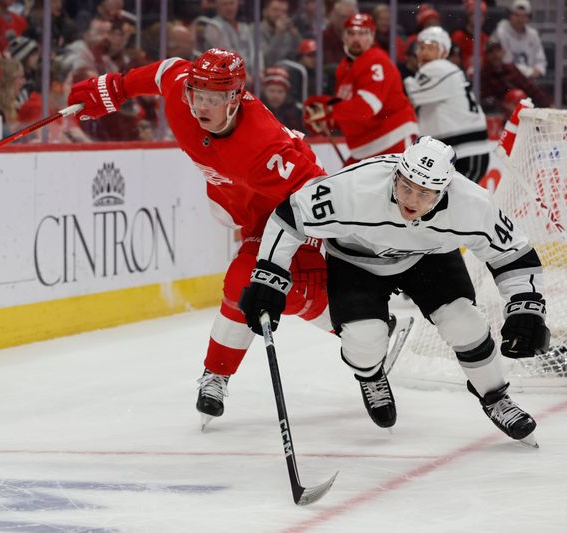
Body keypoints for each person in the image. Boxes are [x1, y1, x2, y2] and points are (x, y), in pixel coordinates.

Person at [66, 48, 330, 427]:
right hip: (241, 203)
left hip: (285, 213)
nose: (199, 106)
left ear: (236, 98)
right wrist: (117, 88)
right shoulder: (181, 95)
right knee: (260, 288)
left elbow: (317, 192)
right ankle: (364, 331)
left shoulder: (266, 144)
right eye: (197, 95)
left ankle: (221, 374)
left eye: (212, 99)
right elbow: (167, 70)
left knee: (272, 284)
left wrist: (344, 240)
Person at [238, 136, 549, 445]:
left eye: (425, 194)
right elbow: (289, 216)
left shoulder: (471, 203)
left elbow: (514, 253)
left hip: (429, 257)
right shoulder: (356, 187)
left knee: (465, 322)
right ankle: (371, 374)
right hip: (356, 260)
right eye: (406, 187)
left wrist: (526, 307)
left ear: (444, 191)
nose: (411, 201)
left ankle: (496, 397)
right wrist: (268, 278)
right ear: (396, 174)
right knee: (364, 341)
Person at [303, 13, 418, 164]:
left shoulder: (377, 61)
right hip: (365, 147)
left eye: (362, 33)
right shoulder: (344, 67)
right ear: (343, 36)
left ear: (372, 36)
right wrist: (326, 116)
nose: (356, 39)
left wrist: (329, 111)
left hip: (393, 139)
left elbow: (365, 109)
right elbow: (348, 109)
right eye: (351, 33)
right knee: (342, 186)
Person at [404, 27, 490, 183]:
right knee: (448, 204)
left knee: (450, 203)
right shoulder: (446, 70)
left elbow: (407, 93)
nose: (424, 53)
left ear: (443, 51)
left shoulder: (438, 68)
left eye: (431, 48)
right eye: (421, 48)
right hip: (466, 151)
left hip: (464, 152)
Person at [480, 38, 551, 113]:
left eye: (498, 50)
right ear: (486, 55)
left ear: (503, 52)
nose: (495, 55)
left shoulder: (511, 68)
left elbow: (531, 88)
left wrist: (547, 105)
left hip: (523, 110)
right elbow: (487, 100)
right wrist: (505, 107)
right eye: (491, 52)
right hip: (501, 115)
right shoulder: (484, 75)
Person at [491, 0, 546, 80]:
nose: (520, 19)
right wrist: (528, 72)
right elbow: (505, 61)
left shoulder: (533, 34)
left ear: (528, 18)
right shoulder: (501, 31)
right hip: (508, 77)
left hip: (531, 77)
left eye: (524, 16)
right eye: (516, 15)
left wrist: (538, 70)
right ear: (510, 16)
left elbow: (540, 60)